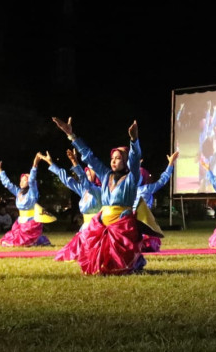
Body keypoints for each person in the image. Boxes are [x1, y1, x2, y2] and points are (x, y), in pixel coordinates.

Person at [52, 116, 145, 275]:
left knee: (120, 264)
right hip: (104, 221)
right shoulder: (106, 175)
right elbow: (90, 157)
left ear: (125, 160)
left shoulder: (131, 178)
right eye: (112, 158)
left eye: (118, 158)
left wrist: (134, 140)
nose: (114, 161)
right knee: (98, 262)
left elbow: (135, 160)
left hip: (122, 223)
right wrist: (71, 135)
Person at [44, 149, 103, 262]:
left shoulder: (99, 191)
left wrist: (75, 163)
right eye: (86, 171)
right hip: (85, 228)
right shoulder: (84, 190)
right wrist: (52, 164)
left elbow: (84, 180)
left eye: (90, 171)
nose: (87, 173)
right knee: (68, 253)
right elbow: (67, 180)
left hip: (96, 229)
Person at [0, 154, 52, 246]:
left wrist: (35, 163)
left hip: (31, 223)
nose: (21, 182)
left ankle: (36, 240)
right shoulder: (18, 192)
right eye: (21, 180)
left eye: (24, 180)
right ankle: (36, 240)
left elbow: (32, 180)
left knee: (22, 241)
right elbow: (6, 183)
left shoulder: (33, 192)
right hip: (20, 223)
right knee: (9, 239)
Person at [134, 151, 179, 253]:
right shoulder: (129, 188)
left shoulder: (146, 188)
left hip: (141, 220)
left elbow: (163, 180)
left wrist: (170, 164)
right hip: (132, 219)